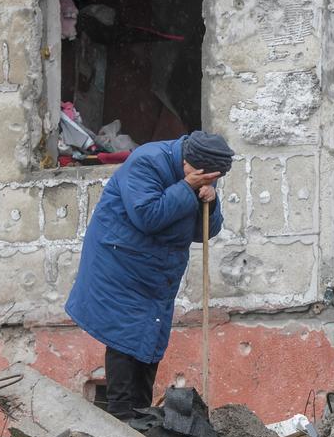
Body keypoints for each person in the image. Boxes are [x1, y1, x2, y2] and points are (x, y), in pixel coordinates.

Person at [66, 130, 234, 421]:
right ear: (187, 162)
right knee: (124, 334)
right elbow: (148, 215)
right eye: (204, 177)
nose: (207, 180)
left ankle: (141, 415)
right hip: (119, 262)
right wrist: (186, 188)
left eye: (213, 179)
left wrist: (210, 201)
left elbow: (204, 231)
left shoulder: (201, 172)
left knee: (151, 336)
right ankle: (120, 415)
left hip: (157, 268)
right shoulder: (147, 162)